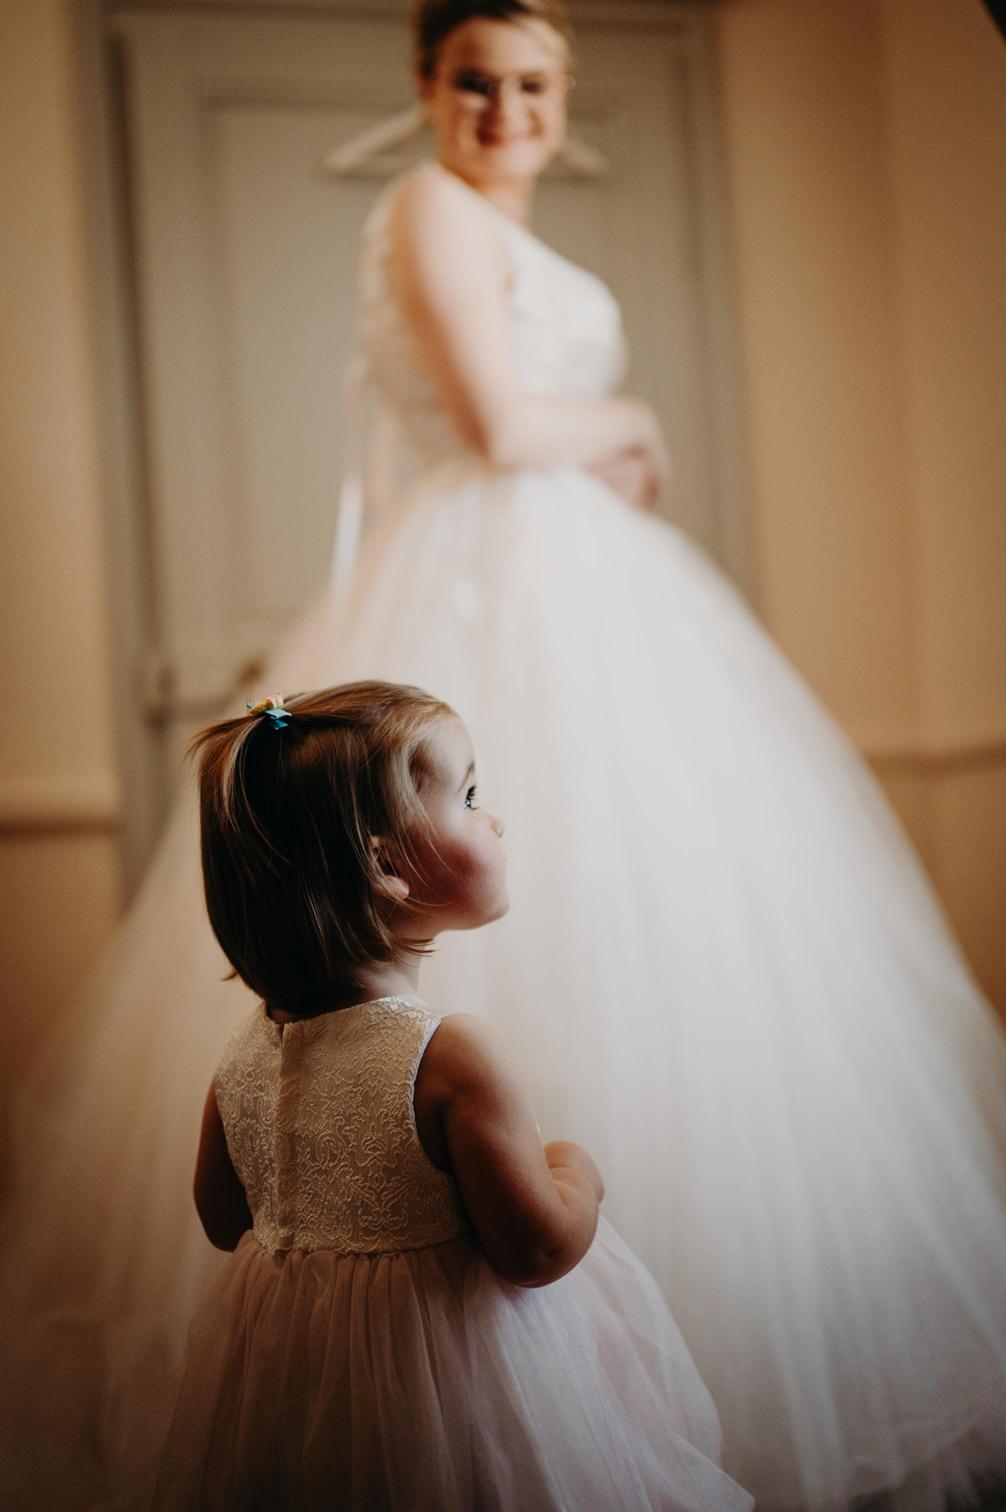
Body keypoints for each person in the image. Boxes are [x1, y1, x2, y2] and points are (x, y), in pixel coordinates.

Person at [3, 1, 1006, 1509]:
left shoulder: (497, 218)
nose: (508, 111)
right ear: (426, 84)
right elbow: (489, 416)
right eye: (476, 81)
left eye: (536, 84)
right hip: (485, 564)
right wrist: (630, 419)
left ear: (563, 92)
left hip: (591, 582)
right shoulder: (425, 205)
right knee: (435, 812)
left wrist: (598, 445)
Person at [150, 680, 754, 1511]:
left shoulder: (242, 1054)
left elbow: (225, 1222)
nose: (493, 820)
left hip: (290, 1389)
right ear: (386, 866)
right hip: (439, 1396)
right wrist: (576, 1172)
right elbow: (535, 1251)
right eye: (469, 798)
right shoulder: (448, 1054)